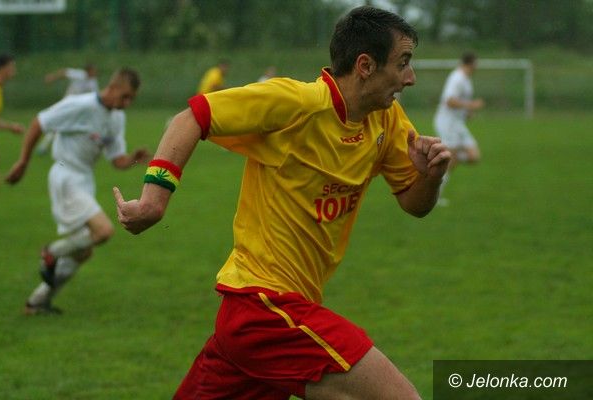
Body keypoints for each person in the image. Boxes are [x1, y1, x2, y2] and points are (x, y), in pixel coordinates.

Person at [114, 6, 450, 400]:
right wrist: (154, 200)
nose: (410, 77)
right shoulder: (297, 103)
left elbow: (414, 203)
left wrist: (430, 176)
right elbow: (191, 118)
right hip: (263, 308)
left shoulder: (386, 120)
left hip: (265, 319)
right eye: (403, 63)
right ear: (365, 65)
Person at [6, 68, 150, 315]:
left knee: (83, 252)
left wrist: (133, 159)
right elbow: (40, 122)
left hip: (84, 180)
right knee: (103, 231)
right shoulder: (81, 105)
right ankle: (52, 251)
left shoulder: (116, 118)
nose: (127, 103)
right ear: (113, 87)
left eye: (131, 99)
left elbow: (117, 160)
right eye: (125, 96)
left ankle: (37, 302)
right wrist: (23, 161)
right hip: (66, 176)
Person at [433, 52, 485, 205]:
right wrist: (472, 105)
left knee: (474, 156)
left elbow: (459, 101)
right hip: (448, 122)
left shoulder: (466, 79)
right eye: (476, 64)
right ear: (471, 64)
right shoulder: (457, 78)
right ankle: (434, 196)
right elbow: (449, 101)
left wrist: (467, 112)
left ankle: (446, 157)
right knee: (451, 159)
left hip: (457, 123)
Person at [37, 63, 100, 155]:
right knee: (58, 122)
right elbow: (64, 72)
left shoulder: (93, 82)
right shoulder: (79, 75)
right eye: (94, 70)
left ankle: (75, 148)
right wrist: (53, 77)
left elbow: (96, 96)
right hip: (66, 104)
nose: (95, 72)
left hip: (78, 107)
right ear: (88, 71)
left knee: (73, 125)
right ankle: (43, 146)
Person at [0, 54, 25, 195]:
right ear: (1, 68)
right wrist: (11, 127)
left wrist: (11, 127)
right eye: (11, 66)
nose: (14, 70)